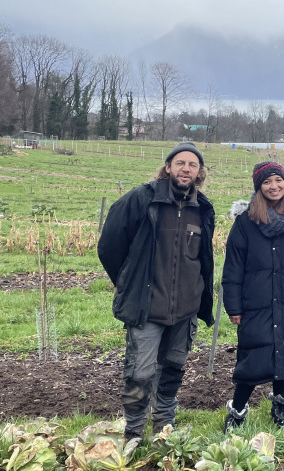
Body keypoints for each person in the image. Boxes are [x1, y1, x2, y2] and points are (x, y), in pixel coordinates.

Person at [97, 141, 215, 442]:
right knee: (139, 373)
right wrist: (128, 282)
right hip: (148, 308)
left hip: (185, 308)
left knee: (173, 369)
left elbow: (203, 258)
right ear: (168, 167)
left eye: (192, 165)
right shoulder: (142, 199)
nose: (186, 169)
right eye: (180, 163)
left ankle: (164, 427)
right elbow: (109, 245)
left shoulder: (203, 209)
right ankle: (134, 432)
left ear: (199, 172)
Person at [221, 162, 284, 431]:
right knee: (253, 356)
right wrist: (234, 307)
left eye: (278, 180)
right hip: (255, 301)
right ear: (258, 187)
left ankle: (280, 409)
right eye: (267, 182)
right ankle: (237, 411)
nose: (274, 186)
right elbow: (233, 267)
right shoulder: (245, 222)